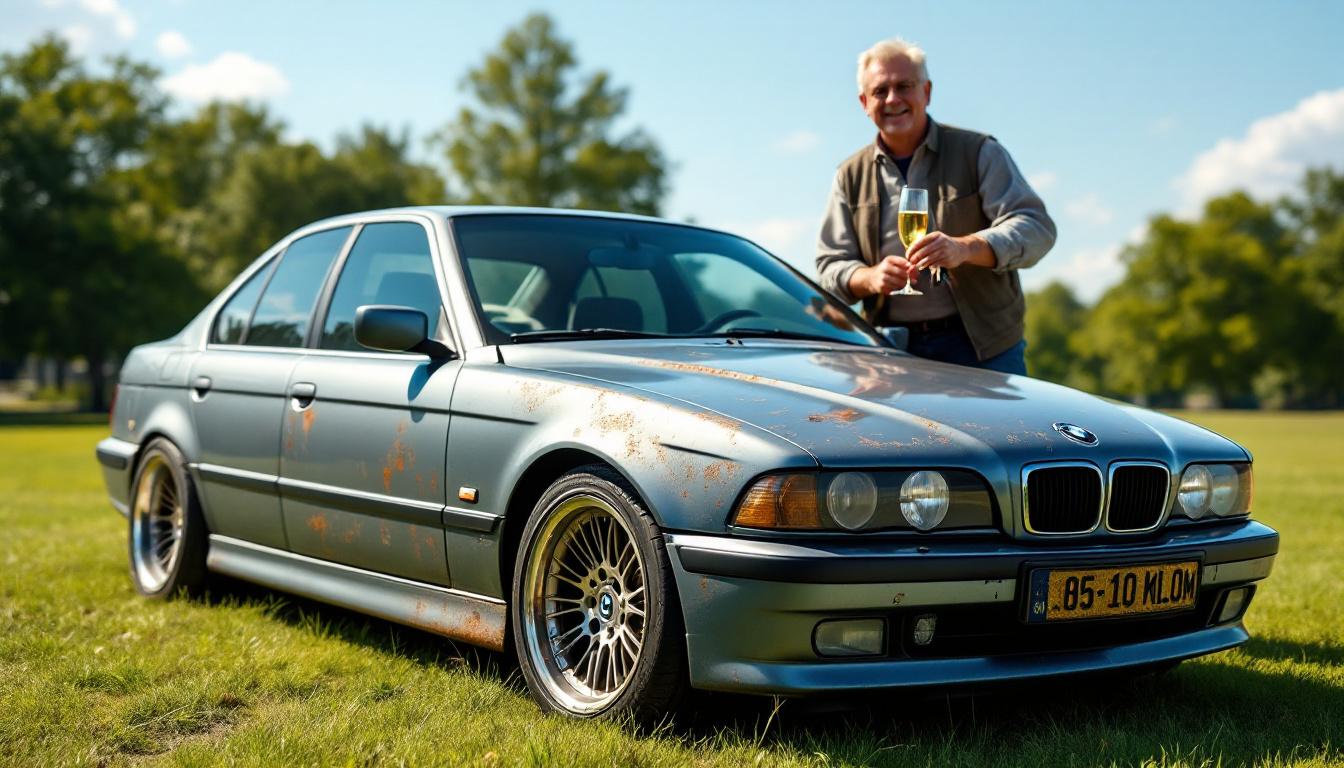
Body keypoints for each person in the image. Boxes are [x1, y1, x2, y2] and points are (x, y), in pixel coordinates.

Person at [816, 38, 1056, 375]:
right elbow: (829, 267)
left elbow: (1035, 228)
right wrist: (869, 277)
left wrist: (966, 247)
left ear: (926, 92)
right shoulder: (848, 175)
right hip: (891, 353)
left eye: (904, 86)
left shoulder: (979, 151)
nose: (893, 99)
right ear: (864, 102)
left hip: (983, 348)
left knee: (999, 431)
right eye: (880, 90)